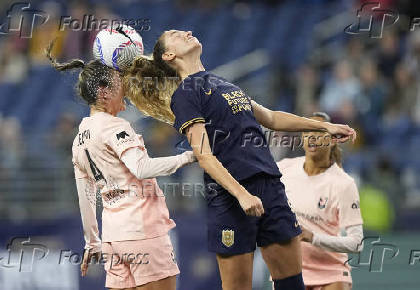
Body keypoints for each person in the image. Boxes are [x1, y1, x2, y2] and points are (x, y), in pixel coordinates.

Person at [122, 30, 356, 290]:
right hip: (230, 196)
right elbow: (204, 156)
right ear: (169, 55)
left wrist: (322, 127)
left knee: (292, 284)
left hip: (270, 186)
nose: (187, 32)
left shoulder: (223, 83)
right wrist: (241, 194)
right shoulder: (185, 94)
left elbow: (271, 117)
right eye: (177, 34)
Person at [46, 41, 196, 290]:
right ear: (103, 92)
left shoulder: (78, 139)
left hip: (114, 239)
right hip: (143, 232)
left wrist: (92, 242)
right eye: (119, 82)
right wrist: (189, 157)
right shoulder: (115, 126)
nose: (126, 87)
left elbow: (86, 195)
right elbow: (141, 168)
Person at [277, 112, 364, 290]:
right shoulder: (284, 168)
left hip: (331, 274)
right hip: (290, 270)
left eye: (318, 132)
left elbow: (357, 242)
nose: (312, 137)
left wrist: (313, 237)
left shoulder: (344, 184)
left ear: (332, 140)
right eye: (307, 132)